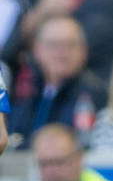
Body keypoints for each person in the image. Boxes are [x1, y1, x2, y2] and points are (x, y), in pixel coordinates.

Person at [7, 16, 107, 149]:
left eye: (70, 45)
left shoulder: (95, 94)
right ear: (37, 50)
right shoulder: (26, 92)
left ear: (84, 51)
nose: (62, 52)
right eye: (53, 45)